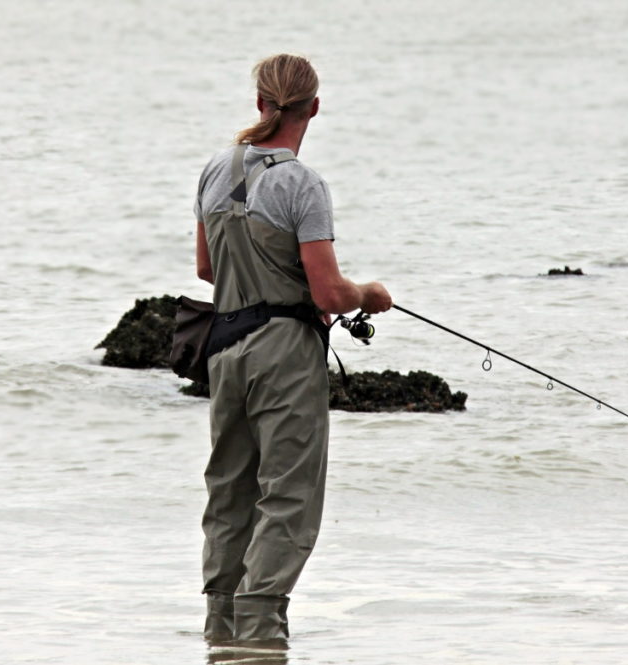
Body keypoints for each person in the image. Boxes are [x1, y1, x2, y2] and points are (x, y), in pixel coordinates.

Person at [192, 54, 392, 644]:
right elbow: (330, 290)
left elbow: (207, 269)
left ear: (260, 103)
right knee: (288, 496)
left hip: (223, 349)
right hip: (284, 352)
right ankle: (259, 630)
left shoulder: (212, 170)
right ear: (315, 107)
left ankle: (221, 632)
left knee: (229, 493)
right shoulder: (301, 183)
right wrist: (370, 295)